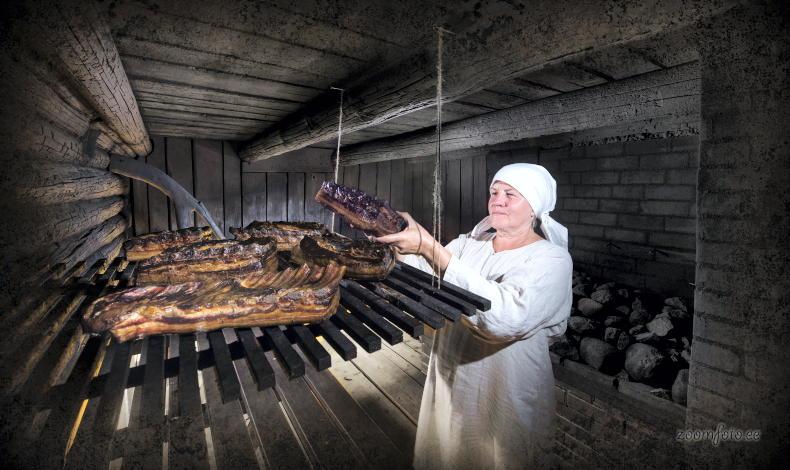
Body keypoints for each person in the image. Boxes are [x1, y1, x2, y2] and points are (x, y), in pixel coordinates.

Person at [375, 163, 573, 470]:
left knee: (497, 454)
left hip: (505, 385)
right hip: (454, 371)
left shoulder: (551, 259)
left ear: (534, 207)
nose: (498, 200)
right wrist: (401, 242)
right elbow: (427, 277)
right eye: (494, 192)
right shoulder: (469, 244)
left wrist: (431, 247)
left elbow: (504, 319)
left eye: (510, 194)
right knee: (450, 447)